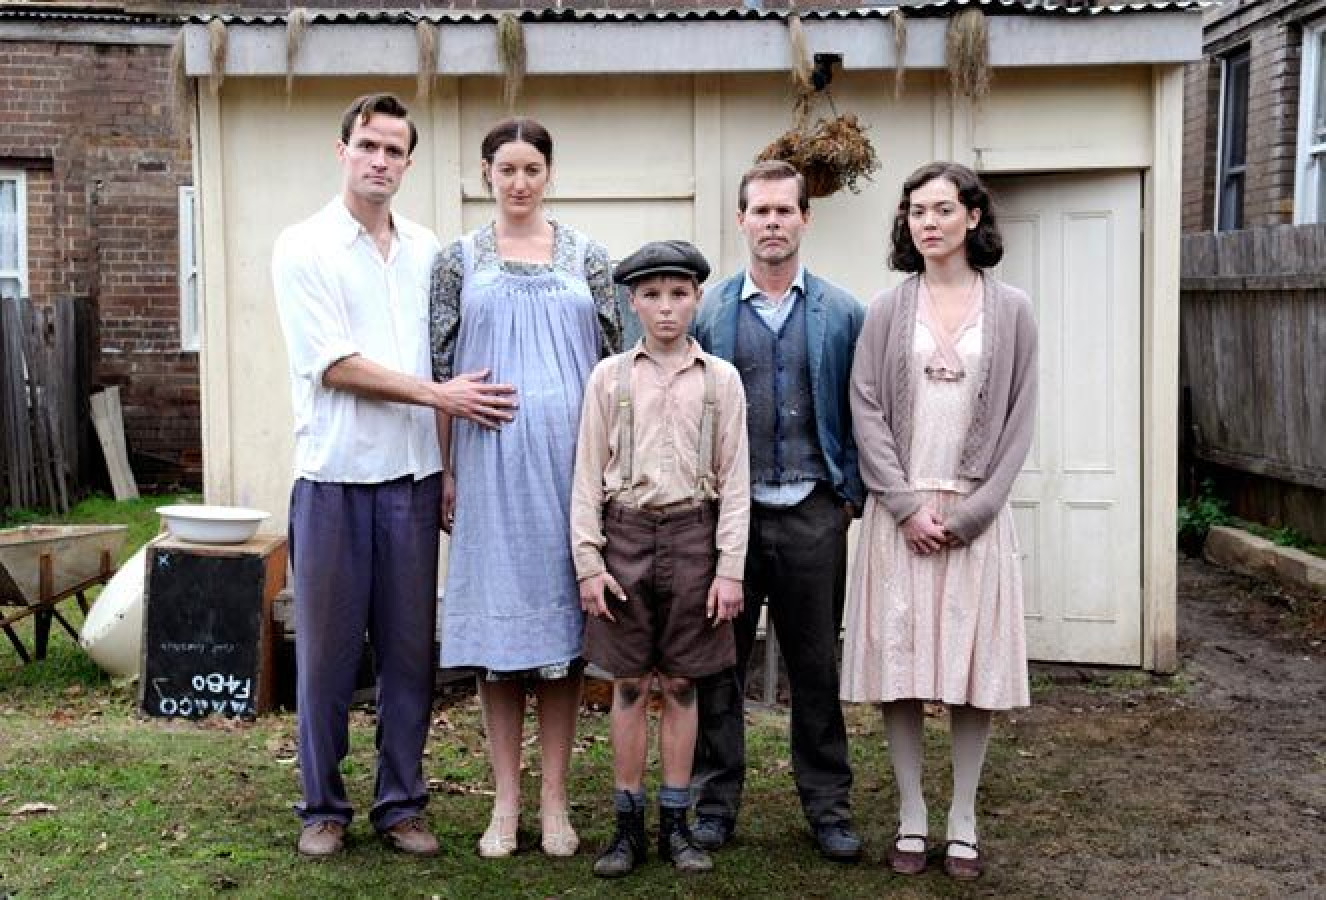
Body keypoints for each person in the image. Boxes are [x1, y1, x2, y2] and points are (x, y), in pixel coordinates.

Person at [272, 92, 517, 859]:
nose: (380, 161)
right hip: (334, 482)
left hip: (411, 482)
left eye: (394, 151)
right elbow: (336, 366)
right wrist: (438, 396)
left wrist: (445, 465)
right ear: (341, 150)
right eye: (368, 146)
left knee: (412, 654)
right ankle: (324, 808)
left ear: (408, 163)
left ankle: (401, 805)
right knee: (327, 656)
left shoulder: (427, 249)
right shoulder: (303, 246)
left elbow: (443, 359)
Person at [429, 117, 621, 859]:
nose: (518, 181)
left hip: (569, 474)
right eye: (505, 168)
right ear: (486, 174)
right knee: (500, 644)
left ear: (549, 174)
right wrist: (446, 470)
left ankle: (556, 802)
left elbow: (615, 367)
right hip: (486, 471)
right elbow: (438, 369)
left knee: (562, 643)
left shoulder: (589, 258)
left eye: (531, 169)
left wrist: (611, 473)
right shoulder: (458, 261)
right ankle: (504, 804)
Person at [843, 161, 1037, 880]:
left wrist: (973, 514)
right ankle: (910, 814)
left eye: (942, 210)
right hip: (901, 515)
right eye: (916, 211)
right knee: (900, 667)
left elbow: (1019, 419)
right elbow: (865, 407)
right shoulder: (888, 309)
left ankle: (962, 816)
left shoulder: (1012, 309)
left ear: (973, 218)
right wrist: (901, 506)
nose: (927, 222)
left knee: (968, 669)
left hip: (974, 518)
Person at [691, 160, 866, 861]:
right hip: (730, 519)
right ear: (741, 220)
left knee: (816, 667)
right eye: (759, 211)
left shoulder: (842, 312)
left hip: (813, 512)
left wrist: (846, 493)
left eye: (783, 211)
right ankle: (713, 803)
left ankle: (828, 806)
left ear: (804, 219)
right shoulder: (710, 312)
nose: (771, 222)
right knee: (718, 667)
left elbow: (864, 406)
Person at [570, 241, 750, 878]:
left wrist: (730, 568)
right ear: (633, 302)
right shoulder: (610, 377)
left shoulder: (720, 381)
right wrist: (589, 562)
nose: (666, 309)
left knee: (679, 683)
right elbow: (587, 475)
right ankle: (627, 824)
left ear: (698, 298)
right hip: (624, 535)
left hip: (694, 536)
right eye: (651, 296)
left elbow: (734, 480)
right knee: (626, 683)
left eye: (678, 295)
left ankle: (677, 820)